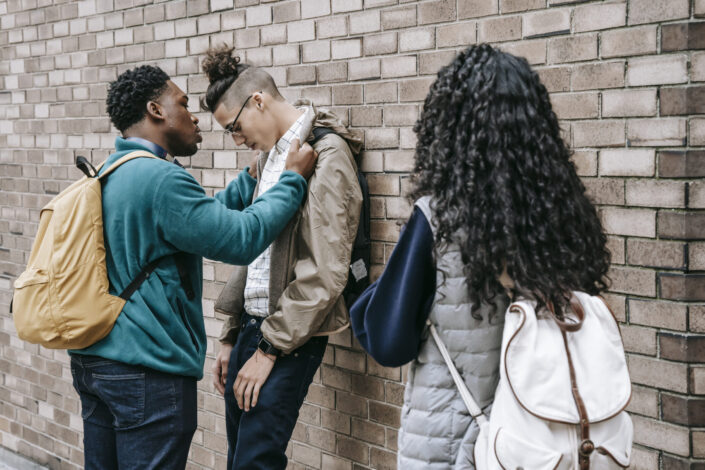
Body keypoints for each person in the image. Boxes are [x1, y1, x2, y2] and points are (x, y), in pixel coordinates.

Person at [350, 43, 611, 469]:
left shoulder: (437, 220)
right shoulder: (564, 217)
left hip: (454, 444)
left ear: (449, 126)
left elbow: (389, 342)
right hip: (544, 444)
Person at [69, 65, 317, 470]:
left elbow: (197, 223)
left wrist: (251, 178)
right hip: (145, 371)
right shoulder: (161, 179)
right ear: (156, 110)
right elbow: (240, 239)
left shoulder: (117, 170)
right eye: (183, 104)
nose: (194, 116)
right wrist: (290, 180)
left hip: (97, 362)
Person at [200, 45, 363, 470]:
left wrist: (268, 349)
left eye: (235, 127)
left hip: (286, 338)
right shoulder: (270, 160)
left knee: (255, 462)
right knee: (240, 458)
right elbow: (254, 251)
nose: (236, 140)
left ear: (259, 100)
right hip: (252, 331)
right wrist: (231, 334)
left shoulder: (325, 157)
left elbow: (325, 273)